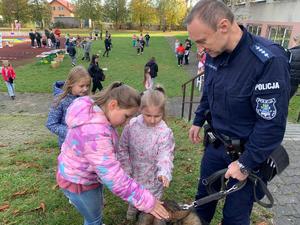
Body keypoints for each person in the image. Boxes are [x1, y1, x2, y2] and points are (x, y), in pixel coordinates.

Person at [186, 1, 290, 225]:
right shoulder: (215, 52)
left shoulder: (267, 61)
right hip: (215, 147)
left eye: (202, 40)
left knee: (235, 217)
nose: (201, 49)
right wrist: (198, 119)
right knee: (202, 203)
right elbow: (209, 91)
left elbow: (271, 125)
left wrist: (245, 164)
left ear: (223, 26)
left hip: (247, 156)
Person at [56, 82, 169, 225]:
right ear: (113, 105)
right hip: (79, 183)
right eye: (127, 116)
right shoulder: (95, 133)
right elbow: (114, 178)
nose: (128, 122)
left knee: (95, 212)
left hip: (79, 175)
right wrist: (148, 201)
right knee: (93, 219)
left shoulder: (92, 110)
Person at [117, 87, 175, 222]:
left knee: (153, 201)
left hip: (153, 175)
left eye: (157, 116)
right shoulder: (132, 125)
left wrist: (164, 172)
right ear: (140, 110)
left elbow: (165, 154)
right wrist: (126, 168)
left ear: (163, 113)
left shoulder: (164, 132)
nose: (153, 120)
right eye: (148, 115)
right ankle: (131, 215)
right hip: (134, 172)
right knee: (134, 196)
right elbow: (123, 148)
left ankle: (148, 219)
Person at [46, 66, 91, 149]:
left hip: (86, 145)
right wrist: (71, 132)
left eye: (87, 85)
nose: (85, 89)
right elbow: (51, 124)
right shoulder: (60, 100)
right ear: (71, 84)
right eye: (81, 86)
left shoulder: (87, 99)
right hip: (68, 146)